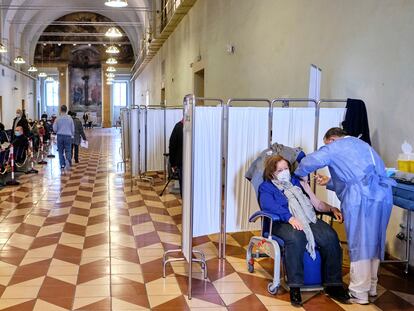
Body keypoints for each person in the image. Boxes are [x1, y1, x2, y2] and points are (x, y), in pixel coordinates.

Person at [294, 127, 395, 305]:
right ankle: (371, 286)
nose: (326, 147)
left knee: (360, 241)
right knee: (375, 239)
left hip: (362, 198)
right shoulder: (362, 145)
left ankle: (359, 292)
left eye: (326, 144)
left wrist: (297, 174)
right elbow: (356, 175)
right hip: (383, 195)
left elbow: (311, 161)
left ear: (332, 139)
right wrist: (330, 182)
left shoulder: (336, 146)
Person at [258, 155, 349, 306]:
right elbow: (269, 206)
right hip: (281, 221)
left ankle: (333, 285)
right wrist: (290, 218)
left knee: (330, 236)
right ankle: (295, 286)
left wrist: (331, 209)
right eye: (280, 170)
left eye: (286, 168)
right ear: (271, 173)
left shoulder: (296, 182)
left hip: (307, 218)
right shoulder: (266, 187)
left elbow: (315, 203)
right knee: (296, 238)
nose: (284, 172)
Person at [53, 105, 74, 169]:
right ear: (66, 110)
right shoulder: (70, 118)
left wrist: (57, 131)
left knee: (60, 151)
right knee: (68, 149)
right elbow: (73, 128)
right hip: (68, 136)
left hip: (60, 136)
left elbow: (54, 128)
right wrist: (72, 134)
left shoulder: (57, 118)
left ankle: (62, 164)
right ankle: (68, 159)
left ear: (60, 110)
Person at [168, 119, 183, 197]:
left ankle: (185, 204)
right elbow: (172, 146)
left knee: (183, 183)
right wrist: (173, 163)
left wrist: (172, 163)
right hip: (184, 162)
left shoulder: (178, 127)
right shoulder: (196, 126)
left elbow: (172, 146)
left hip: (181, 162)